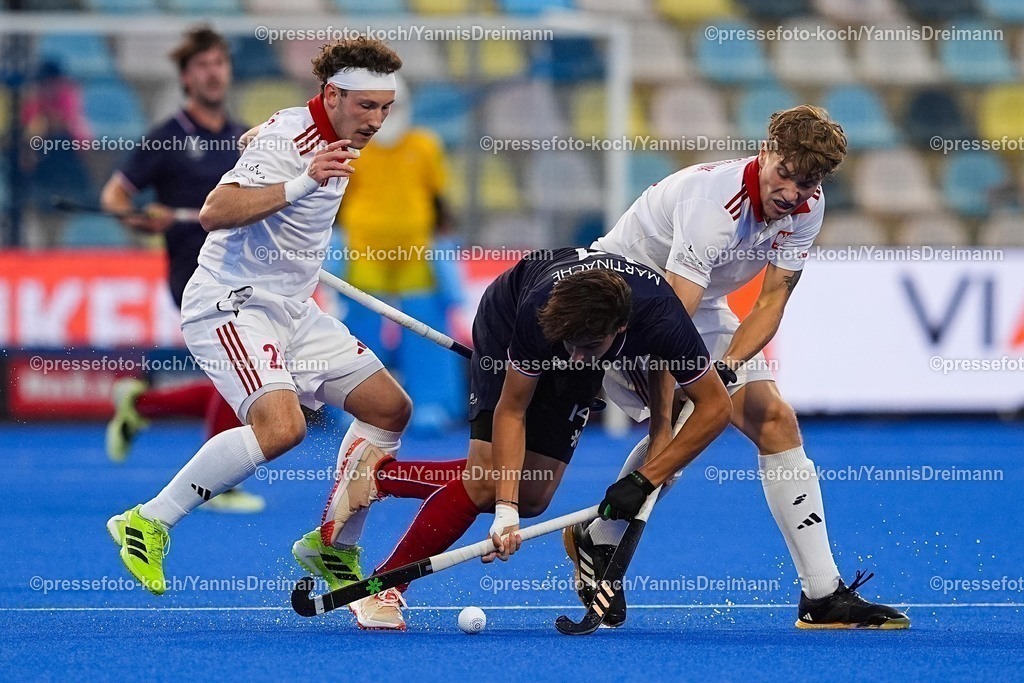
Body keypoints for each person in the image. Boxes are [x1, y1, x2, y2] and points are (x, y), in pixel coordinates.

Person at [565, 105, 910, 630]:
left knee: (774, 419)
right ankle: (601, 536)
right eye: (785, 175)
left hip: (697, 304)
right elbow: (667, 326)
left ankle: (822, 596)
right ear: (765, 151)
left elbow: (770, 303)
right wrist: (671, 425)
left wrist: (727, 367)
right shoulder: (714, 206)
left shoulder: (806, 207)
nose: (792, 193)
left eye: (808, 183)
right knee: (687, 415)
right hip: (625, 300)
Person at [106, 38, 415, 608]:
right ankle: (147, 521)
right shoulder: (291, 141)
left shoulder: (323, 128)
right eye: (366, 107)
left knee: (389, 408)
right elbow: (212, 212)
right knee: (283, 428)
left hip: (293, 308)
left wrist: (265, 145)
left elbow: (284, 130)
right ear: (333, 95)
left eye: (385, 108)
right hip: (233, 304)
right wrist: (300, 178)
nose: (376, 121)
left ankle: (332, 543)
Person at [297, 247, 733, 630]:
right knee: (491, 483)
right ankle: (384, 585)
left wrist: (645, 477)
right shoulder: (545, 314)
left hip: (595, 323)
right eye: (572, 346)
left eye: (589, 349)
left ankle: (379, 475)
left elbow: (715, 407)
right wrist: (504, 512)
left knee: (536, 494)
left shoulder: (662, 316)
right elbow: (512, 409)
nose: (576, 358)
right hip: (508, 316)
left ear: (621, 329)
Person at [99, 26, 263, 513]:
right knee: (247, 373)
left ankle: (141, 405)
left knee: (244, 377)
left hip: (248, 273)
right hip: (194, 275)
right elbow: (115, 197)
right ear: (187, 78)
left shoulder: (243, 137)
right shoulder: (167, 138)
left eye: (219, 63)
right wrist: (140, 220)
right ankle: (220, 485)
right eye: (202, 66)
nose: (213, 73)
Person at [333, 75, 464, 433]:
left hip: (416, 252)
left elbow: (439, 200)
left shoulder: (424, 146)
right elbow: (337, 200)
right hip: (363, 250)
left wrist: (446, 246)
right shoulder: (352, 147)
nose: (382, 118)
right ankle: (352, 399)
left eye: (389, 108)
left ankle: (433, 402)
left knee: (425, 326)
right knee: (360, 328)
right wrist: (333, 244)